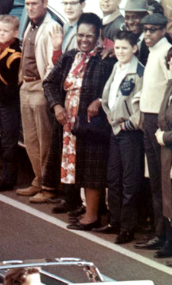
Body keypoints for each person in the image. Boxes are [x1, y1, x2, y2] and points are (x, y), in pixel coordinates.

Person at [43, 13, 116, 231]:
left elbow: (115, 87)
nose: (84, 40)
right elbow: (49, 82)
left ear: (99, 35)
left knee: (92, 167)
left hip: (92, 123)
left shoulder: (106, 59)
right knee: (77, 166)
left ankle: (92, 215)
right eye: (80, 35)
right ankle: (87, 210)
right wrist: (57, 105)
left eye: (89, 36)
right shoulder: (70, 56)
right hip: (68, 122)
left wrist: (100, 101)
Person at [134, 13, 172, 256]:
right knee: (154, 180)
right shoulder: (153, 50)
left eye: (152, 30)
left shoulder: (166, 52)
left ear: (163, 30)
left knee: (162, 182)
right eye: (145, 29)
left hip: (161, 122)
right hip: (148, 117)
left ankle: (164, 235)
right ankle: (159, 232)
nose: (147, 34)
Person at [100, 30, 145, 245]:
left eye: (124, 48)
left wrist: (128, 124)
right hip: (115, 129)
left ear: (134, 48)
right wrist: (110, 116)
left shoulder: (138, 72)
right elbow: (109, 96)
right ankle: (115, 220)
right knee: (113, 178)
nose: (119, 52)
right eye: (117, 48)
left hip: (129, 133)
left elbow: (140, 105)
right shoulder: (117, 67)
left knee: (129, 181)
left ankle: (127, 227)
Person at [16, 0, 62, 203]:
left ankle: (48, 185)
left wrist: (47, 86)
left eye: (35, 3)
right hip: (25, 86)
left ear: (45, 4)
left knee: (45, 139)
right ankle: (38, 179)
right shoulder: (30, 24)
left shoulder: (51, 26)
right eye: (27, 4)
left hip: (40, 86)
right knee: (30, 139)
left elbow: (54, 61)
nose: (30, 7)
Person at [0, 14, 22, 192]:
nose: (1, 34)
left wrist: (3, 95)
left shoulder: (14, 54)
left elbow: (14, 83)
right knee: (5, 139)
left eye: (6, 31)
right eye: (0, 30)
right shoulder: (1, 48)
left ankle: (9, 178)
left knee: (9, 141)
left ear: (15, 33)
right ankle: (6, 175)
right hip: (2, 102)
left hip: (9, 103)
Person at [154, 46, 172, 257]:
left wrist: (165, 137)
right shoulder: (171, 86)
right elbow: (163, 116)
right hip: (168, 151)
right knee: (169, 196)